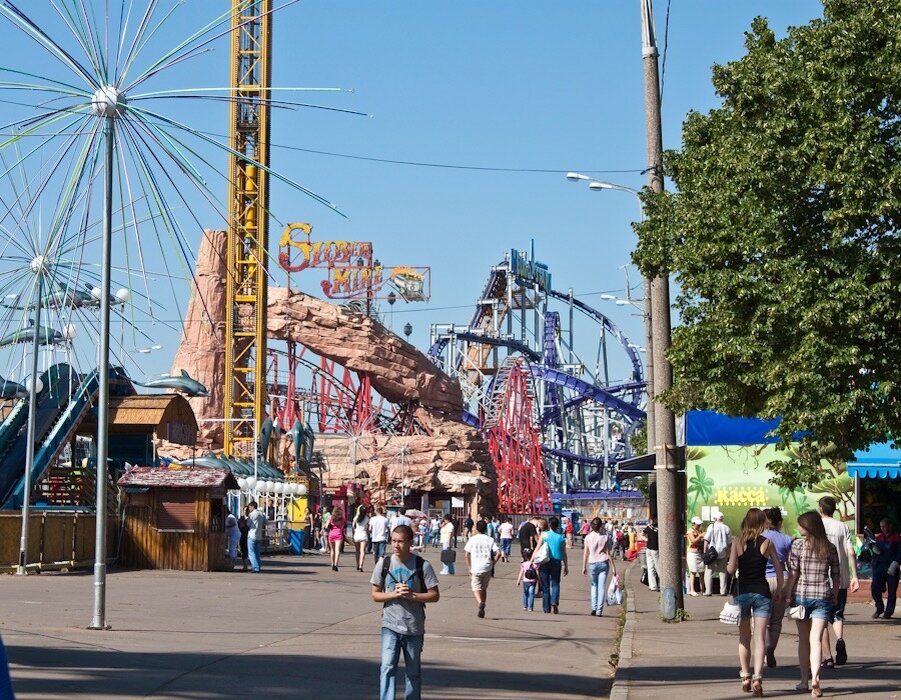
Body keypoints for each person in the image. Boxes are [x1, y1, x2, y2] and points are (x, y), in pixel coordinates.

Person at [371, 524, 440, 700]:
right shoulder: (384, 563)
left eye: (400, 541)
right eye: (393, 541)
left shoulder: (422, 565)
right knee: (387, 667)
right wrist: (393, 594)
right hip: (390, 625)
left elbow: (434, 595)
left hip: (414, 627)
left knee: (413, 672)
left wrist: (412, 595)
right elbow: (375, 594)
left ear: (410, 542)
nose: (396, 545)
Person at [726, 507, 783, 697]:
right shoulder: (767, 543)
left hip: (742, 593)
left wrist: (729, 563)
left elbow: (731, 569)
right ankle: (758, 677)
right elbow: (778, 569)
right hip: (762, 592)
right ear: (762, 523)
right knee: (759, 637)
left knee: (744, 637)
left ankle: (745, 676)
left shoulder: (737, 541)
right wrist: (780, 590)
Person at [784, 510, 840, 696]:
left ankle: (803, 680)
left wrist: (787, 594)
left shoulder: (798, 546)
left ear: (808, 527)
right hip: (823, 596)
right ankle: (816, 678)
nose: (799, 528)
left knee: (803, 640)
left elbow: (793, 573)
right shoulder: (829, 547)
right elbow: (836, 574)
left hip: (800, 595)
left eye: (801, 525)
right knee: (816, 639)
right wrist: (834, 593)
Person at [817, 496, 859, 667]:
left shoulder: (817, 526)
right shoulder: (842, 526)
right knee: (838, 613)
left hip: (821, 577)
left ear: (821, 509)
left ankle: (827, 657)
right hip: (840, 578)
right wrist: (854, 575)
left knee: (821, 617)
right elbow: (851, 552)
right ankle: (840, 640)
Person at [761, 507, 792, 668]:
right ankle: (771, 649)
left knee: (762, 620)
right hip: (783, 579)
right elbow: (790, 563)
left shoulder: (759, 538)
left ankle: (765, 652)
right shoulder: (787, 539)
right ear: (779, 522)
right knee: (776, 621)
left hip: (763, 580)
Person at [464, 519, 502, 618]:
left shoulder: (472, 539)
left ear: (476, 528)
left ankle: (480, 602)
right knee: (484, 588)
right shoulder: (489, 539)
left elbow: (466, 554)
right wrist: (493, 563)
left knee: (476, 587)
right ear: (486, 528)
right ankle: (483, 602)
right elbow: (499, 553)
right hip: (487, 567)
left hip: (476, 567)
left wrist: (469, 568)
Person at [533, 516, 568, 614]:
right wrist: (566, 565)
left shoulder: (544, 535)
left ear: (549, 524)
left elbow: (537, 548)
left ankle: (546, 608)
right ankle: (554, 601)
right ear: (557, 526)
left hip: (544, 561)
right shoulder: (561, 537)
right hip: (556, 562)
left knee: (545, 586)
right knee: (555, 583)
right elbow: (564, 553)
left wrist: (532, 560)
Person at [582, 517, 615, 616]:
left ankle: (593, 607)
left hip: (592, 563)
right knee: (601, 587)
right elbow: (608, 552)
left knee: (594, 586)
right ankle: (599, 611)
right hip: (603, 562)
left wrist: (583, 566)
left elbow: (585, 553)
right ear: (601, 526)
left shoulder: (588, 537)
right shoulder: (605, 537)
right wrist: (613, 567)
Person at [871, 517, 901, 619]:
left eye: (884, 526)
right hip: (880, 566)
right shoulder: (878, 538)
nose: (883, 528)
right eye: (881, 527)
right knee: (875, 588)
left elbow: (900, 553)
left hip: (892, 566)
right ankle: (879, 607)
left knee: (892, 591)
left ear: (889, 526)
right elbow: (874, 552)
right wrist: (874, 550)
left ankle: (888, 612)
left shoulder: (897, 537)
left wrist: (896, 563)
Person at [704, 512, 732, 595]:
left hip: (712, 552)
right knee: (722, 572)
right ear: (722, 518)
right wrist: (729, 555)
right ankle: (723, 591)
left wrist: (705, 552)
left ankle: (708, 591)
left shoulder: (711, 527)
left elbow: (706, 540)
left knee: (709, 571)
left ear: (714, 519)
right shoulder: (726, 528)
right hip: (722, 552)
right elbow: (730, 543)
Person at [686, 516, 706, 596]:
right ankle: (692, 590)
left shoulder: (699, 531)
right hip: (692, 553)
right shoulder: (690, 531)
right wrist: (700, 536)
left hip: (699, 553)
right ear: (693, 524)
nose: (699, 525)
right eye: (698, 524)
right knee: (693, 571)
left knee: (701, 571)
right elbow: (693, 541)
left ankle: (702, 590)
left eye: (700, 524)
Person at [246, 501, 267, 573]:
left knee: (251, 553)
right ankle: (258, 567)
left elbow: (248, 524)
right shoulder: (261, 514)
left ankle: (255, 567)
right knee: (257, 553)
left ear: (252, 506)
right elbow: (266, 522)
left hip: (252, 535)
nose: (249, 508)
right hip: (259, 535)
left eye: (249, 507)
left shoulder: (251, 514)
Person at [642, 516, 660, 592]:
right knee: (658, 567)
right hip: (655, 549)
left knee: (650, 568)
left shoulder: (649, 527)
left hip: (648, 549)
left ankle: (652, 586)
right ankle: (663, 583)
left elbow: (642, 534)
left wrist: (647, 540)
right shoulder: (659, 528)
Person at [327, 505, 346, 571]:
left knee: (332, 550)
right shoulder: (342, 518)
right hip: (339, 534)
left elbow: (326, 526)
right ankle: (336, 564)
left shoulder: (331, 517)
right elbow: (342, 526)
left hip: (331, 534)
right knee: (337, 550)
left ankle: (332, 564)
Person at [353, 505, 371, 572]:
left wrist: (354, 531)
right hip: (363, 535)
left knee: (357, 551)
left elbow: (353, 526)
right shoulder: (367, 518)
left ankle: (357, 564)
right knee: (362, 551)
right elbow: (368, 528)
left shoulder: (356, 517)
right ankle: (361, 566)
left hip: (357, 535)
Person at [238, 507, 250, 572]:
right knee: (243, 551)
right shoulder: (241, 518)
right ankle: (245, 566)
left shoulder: (250, 519)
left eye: (246, 510)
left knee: (248, 551)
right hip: (242, 536)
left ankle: (251, 566)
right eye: (244, 510)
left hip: (248, 536)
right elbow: (238, 526)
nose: (245, 511)